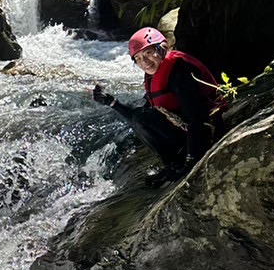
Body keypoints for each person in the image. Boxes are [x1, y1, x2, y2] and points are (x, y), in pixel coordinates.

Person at [93, 27, 226, 186]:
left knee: (143, 117)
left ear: (162, 48)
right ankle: (172, 165)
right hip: (190, 134)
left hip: (206, 131)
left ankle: (181, 163)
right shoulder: (154, 75)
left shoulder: (178, 70)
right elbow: (140, 119)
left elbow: (195, 117)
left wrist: (191, 161)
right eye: (139, 58)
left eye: (148, 53)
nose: (145, 62)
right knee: (140, 118)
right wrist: (111, 102)